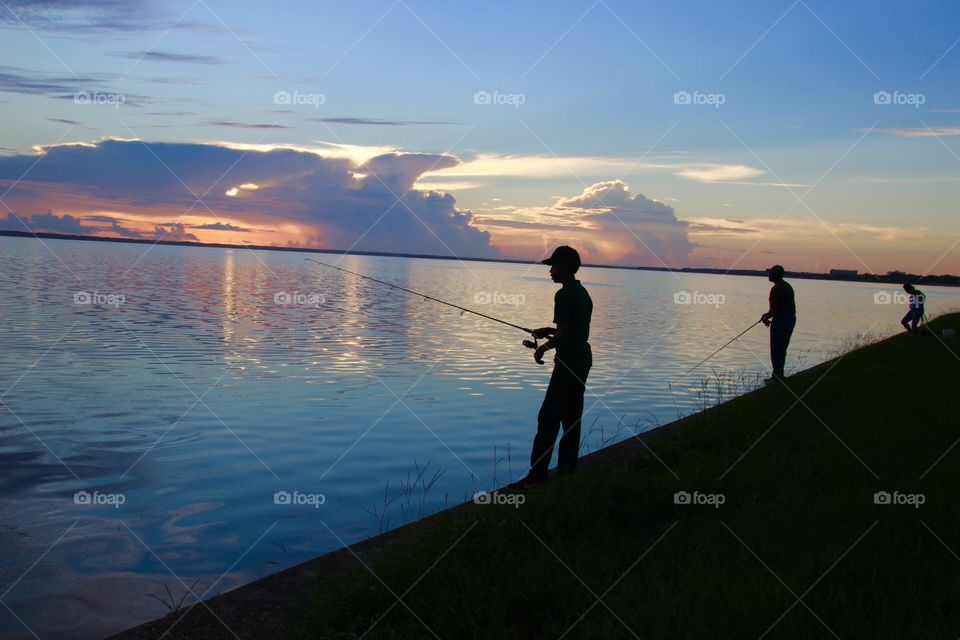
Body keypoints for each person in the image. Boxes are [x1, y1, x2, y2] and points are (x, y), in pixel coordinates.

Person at [508, 246, 593, 490]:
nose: (550, 271)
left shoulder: (564, 295)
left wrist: (543, 348)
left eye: (554, 266)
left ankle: (537, 476)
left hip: (567, 365)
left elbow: (566, 334)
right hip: (582, 361)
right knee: (571, 420)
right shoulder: (581, 291)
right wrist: (549, 330)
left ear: (565, 267)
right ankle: (567, 473)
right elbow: (575, 330)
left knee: (548, 419)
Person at [760, 265, 796, 385]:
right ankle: (778, 376)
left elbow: (775, 310)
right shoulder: (787, 286)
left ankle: (777, 378)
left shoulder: (776, 289)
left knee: (776, 349)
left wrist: (766, 317)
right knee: (781, 348)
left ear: (775, 275)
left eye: (770, 273)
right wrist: (767, 315)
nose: (768, 275)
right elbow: (779, 308)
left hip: (781, 321)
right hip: (790, 319)